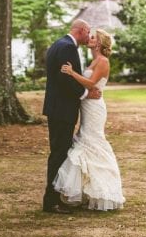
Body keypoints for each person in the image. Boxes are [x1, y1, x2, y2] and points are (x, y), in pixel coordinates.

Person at [53, 28, 125, 211]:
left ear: (99, 43)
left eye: (92, 37)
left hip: (95, 108)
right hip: (87, 104)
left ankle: (105, 191)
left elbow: (92, 83)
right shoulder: (94, 60)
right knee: (85, 140)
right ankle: (88, 191)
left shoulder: (103, 61)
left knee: (93, 141)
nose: (89, 39)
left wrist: (71, 73)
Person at [42, 19, 102, 214]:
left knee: (58, 151)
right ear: (82, 30)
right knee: (59, 152)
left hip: (56, 108)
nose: (89, 36)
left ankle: (53, 197)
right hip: (62, 109)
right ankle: (51, 201)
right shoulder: (68, 47)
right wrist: (86, 94)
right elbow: (65, 79)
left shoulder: (58, 44)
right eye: (88, 32)